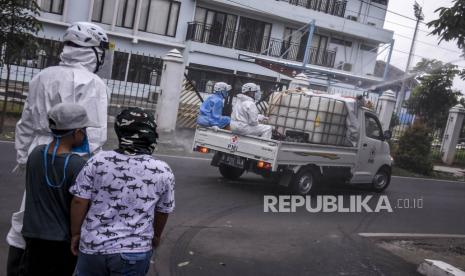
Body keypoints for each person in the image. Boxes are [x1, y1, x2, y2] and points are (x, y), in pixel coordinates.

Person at [7, 22, 109, 275]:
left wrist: (23, 156)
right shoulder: (93, 83)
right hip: (74, 156)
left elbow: (26, 121)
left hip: (39, 150)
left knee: (29, 208)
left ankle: (18, 265)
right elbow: (93, 131)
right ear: (95, 51)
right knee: (71, 212)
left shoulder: (42, 76)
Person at [70, 107, 175, 275]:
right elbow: (163, 210)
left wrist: (75, 233)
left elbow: (79, 200)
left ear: (119, 131)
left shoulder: (97, 161)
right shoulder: (162, 170)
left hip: (93, 246)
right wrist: (155, 237)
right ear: (151, 134)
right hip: (134, 251)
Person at [20, 103, 97, 275]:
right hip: (61, 240)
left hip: (32, 234)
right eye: (84, 130)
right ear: (77, 132)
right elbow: (79, 202)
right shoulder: (78, 164)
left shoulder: (35, 154)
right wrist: (77, 233)